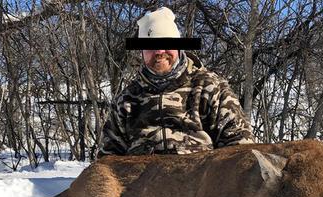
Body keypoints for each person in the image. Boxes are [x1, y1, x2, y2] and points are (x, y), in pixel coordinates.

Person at [97, 7, 253, 157]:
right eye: (150, 47)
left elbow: (241, 150)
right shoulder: (127, 100)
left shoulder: (211, 88)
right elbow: (107, 160)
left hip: (203, 181)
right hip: (140, 183)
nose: (159, 52)